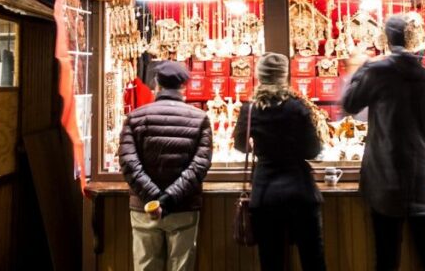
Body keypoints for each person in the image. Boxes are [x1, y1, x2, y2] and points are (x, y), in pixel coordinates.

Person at [341, 16, 425, 271]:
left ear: (387, 39)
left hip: (386, 181)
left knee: (387, 260)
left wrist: (360, 68)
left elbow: (349, 104)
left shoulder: (377, 72)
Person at [233, 52, 326, 271]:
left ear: (259, 76)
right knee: (313, 259)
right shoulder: (298, 107)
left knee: (271, 261)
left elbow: (240, 146)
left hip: (265, 193)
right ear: (285, 76)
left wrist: (259, 147)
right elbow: (313, 150)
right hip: (300, 190)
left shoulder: (250, 109)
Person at [119, 61, 212, 271]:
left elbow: (129, 163)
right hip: (183, 206)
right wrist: (169, 198)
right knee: (182, 266)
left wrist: (154, 198)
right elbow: (200, 165)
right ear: (183, 87)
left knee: (146, 266)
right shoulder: (200, 119)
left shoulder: (135, 118)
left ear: (157, 85)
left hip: (144, 207)